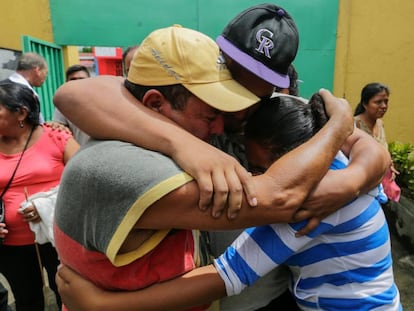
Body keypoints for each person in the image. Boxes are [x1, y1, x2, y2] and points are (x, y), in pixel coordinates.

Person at [53, 4, 390, 310]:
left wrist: (348, 182)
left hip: (267, 295)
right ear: (219, 61)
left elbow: (373, 153)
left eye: (257, 91)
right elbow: (74, 94)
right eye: (233, 79)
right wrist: (183, 145)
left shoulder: (282, 117)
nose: (237, 106)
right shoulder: (190, 110)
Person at [55, 94, 401, 311]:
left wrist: (103, 305)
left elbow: (229, 275)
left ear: (297, 159)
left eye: (261, 168)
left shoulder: (314, 200)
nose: (255, 177)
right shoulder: (334, 158)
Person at [0, 81, 79, 311]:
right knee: (27, 301)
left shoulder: (57, 136)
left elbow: (84, 183)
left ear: (21, 113)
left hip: (61, 239)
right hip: (12, 245)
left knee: (67, 295)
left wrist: (47, 205)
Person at [354, 82, 400, 202]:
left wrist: (390, 166)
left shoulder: (380, 123)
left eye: (386, 101)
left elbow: (383, 148)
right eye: (378, 102)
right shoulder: (355, 125)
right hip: (363, 188)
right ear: (365, 104)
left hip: (381, 185)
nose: (384, 106)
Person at [52, 64, 91, 145]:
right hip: (77, 154)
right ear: (67, 82)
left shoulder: (101, 100)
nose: (77, 82)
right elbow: (59, 127)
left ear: (89, 80)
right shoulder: (63, 105)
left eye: (81, 79)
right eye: (73, 79)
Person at [8, 52, 48, 123]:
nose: (45, 77)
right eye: (46, 72)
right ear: (37, 70)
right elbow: (36, 125)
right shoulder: (26, 93)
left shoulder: (4, 86)